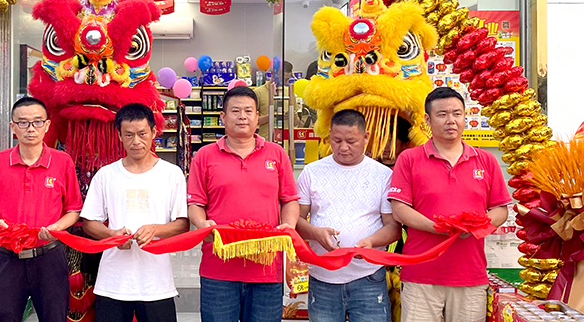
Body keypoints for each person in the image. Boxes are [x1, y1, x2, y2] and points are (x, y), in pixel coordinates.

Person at [388, 87, 510, 322]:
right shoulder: (409, 159)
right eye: (442, 114)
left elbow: (500, 210)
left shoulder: (485, 160)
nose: (450, 120)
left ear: (465, 117)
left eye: (457, 113)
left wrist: (475, 227)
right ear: (427, 120)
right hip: (421, 276)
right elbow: (400, 210)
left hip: (470, 276)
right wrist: (437, 228)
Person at [188, 86, 300, 322]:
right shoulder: (204, 156)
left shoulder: (277, 154)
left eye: (248, 111)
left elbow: (289, 199)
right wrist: (201, 223)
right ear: (223, 116)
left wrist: (289, 226)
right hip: (219, 269)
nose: (242, 117)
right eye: (235, 111)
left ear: (257, 117)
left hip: (266, 269)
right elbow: (196, 203)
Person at [0, 97, 82, 322]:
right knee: (5, 317)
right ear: (13, 127)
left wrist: (57, 228)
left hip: (49, 257)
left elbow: (74, 210)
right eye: (23, 122)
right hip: (8, 258)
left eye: (37, 122)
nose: (31, 128)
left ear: (47, 126)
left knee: (54, 317)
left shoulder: (62, 162)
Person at [81, 103, 189, 322]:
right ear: (119, 136)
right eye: (129, 135)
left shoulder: (172, 174)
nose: (136, 141)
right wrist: (111, 235)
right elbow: (89, 223)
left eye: (142, 133)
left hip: (156, 283)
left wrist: (155, 229)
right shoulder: (106, 175)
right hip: (113, 282)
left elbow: (182, 224)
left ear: (154, 132)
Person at [296, 109, 399, 322]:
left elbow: (393, 227)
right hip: (323, 276)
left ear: (366, 137)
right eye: (337, 140)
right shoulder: (312, 172)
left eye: (351, 141)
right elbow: (295, 220)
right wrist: (315, 233)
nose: (343, 147)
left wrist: (371, 242)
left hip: (368, 276)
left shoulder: (383, 175)